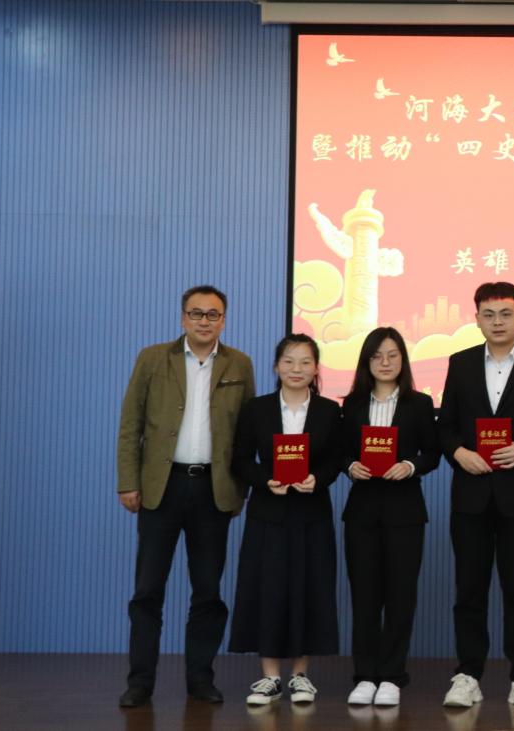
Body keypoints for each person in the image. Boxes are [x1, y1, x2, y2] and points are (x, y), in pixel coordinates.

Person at [116, 285, 255, 707]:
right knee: (147, 590)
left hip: (213, 489)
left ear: (223, 321)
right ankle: (140, 682)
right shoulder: (152, 358)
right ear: (183, 318)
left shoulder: (239, 364)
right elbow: (130, 424)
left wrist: (241, 488)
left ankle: (200, 679)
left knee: (208, 591)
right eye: (196, 313)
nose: (204, 321)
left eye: (213, 314)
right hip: (162, 487)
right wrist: (128, 481)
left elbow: (247, 433)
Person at [437, 282, 514, 711]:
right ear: (476, 319)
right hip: (470, 495)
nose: (497, 322)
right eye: (488, 315)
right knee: (469, 591)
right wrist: (459, 453)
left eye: (506, 314)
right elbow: (446, 425)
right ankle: (468, 675)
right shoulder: (460, 363)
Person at [227, 333, 343, 705]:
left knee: (310, 588)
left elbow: (335, 459)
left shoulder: (329, 411)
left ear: (316, 368)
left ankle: (300, 676)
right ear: (276, 366)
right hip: (269, 512)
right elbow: (240, 459)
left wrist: (317, 479)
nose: (297, 369)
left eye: (305, 362)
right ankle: (270, 678)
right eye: (289, 361)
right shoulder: (257, 409)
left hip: (312, 513)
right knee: (268, 589)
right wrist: (265, 480)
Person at [340, 327, 441, 707]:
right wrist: (349, 465)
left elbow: (433, 453)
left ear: (403, 359)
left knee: (400, 596)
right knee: (365, 596)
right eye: (377, 356)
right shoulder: (351, 404)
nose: (385, 362)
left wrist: (410, 466)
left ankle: (392, 676)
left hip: (405, 512)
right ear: (366, 361)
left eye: (392, 355)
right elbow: (338, 451)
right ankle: (365, 675)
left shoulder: (420, 403)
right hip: (362, 511)